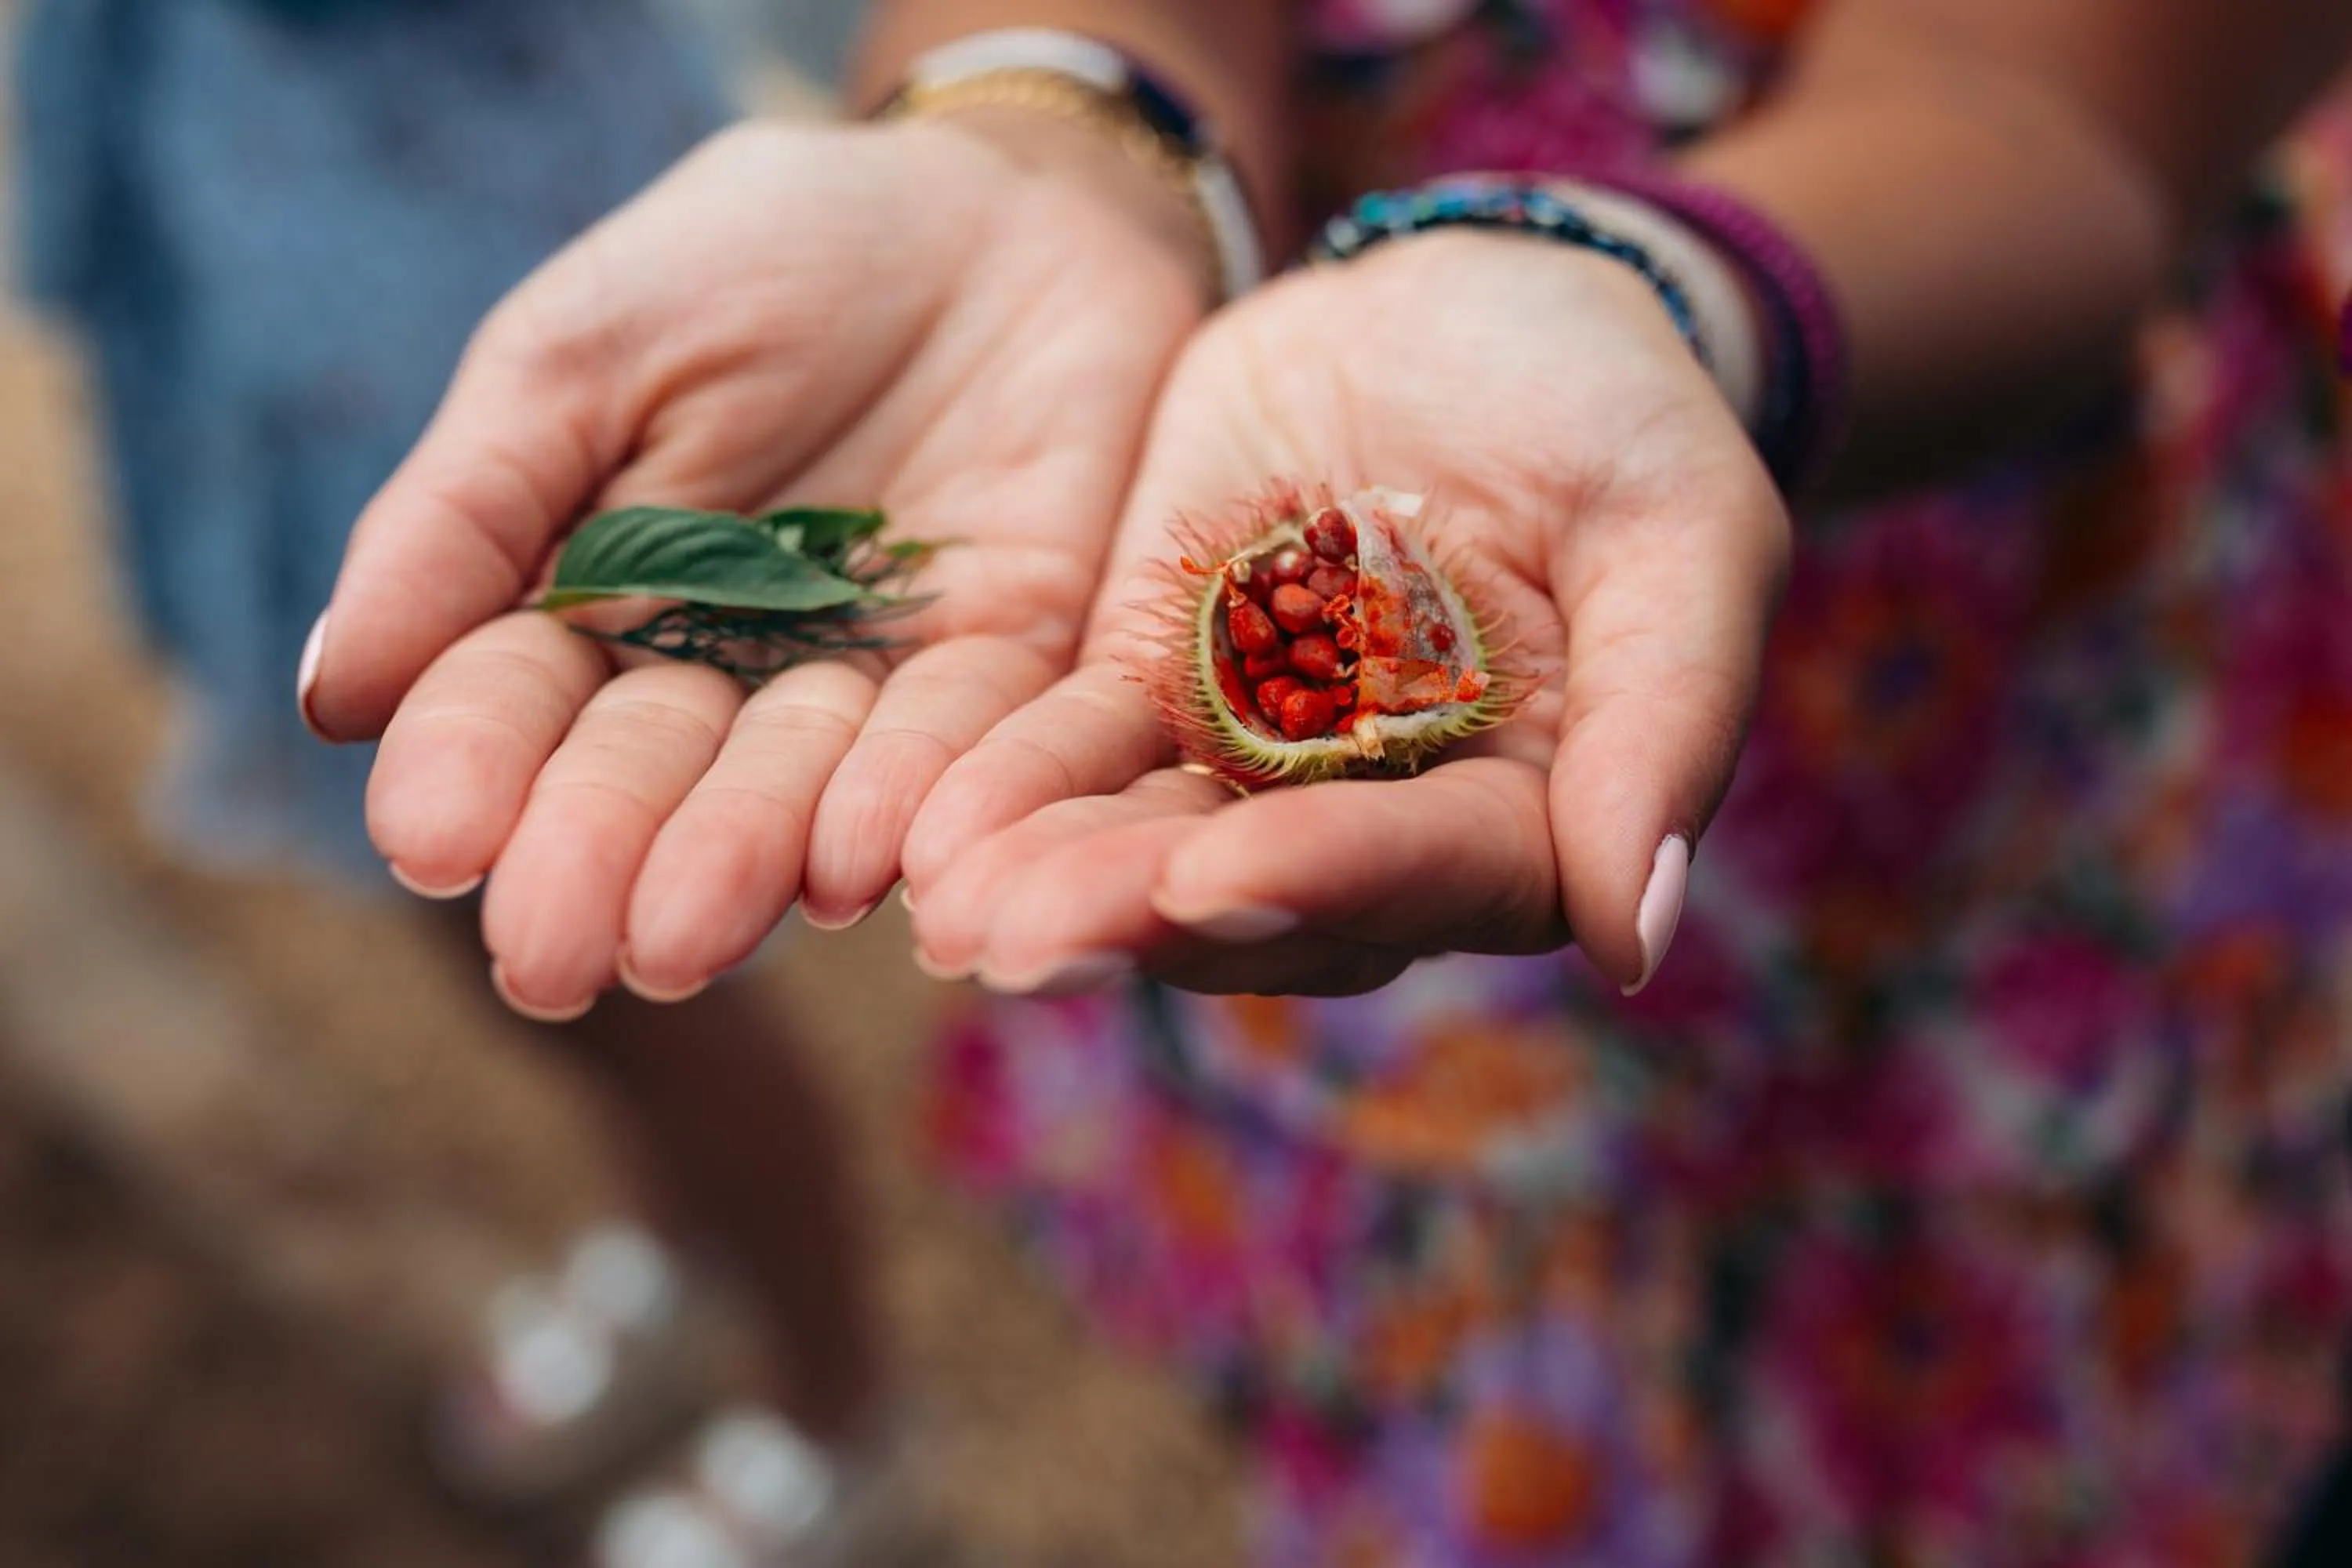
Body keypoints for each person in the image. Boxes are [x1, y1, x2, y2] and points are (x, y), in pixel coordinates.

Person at [306, 0, 2352, 1560]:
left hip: (1971, 714)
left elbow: (2057, 109)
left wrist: (1651, 289)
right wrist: (1058, 121)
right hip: (1231, 502)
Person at [13, 0, 878, 1501]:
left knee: (623, 945)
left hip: (482, 271)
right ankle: (680, 1238)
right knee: (501, 933)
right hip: (274, 254)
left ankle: (847, 1410)